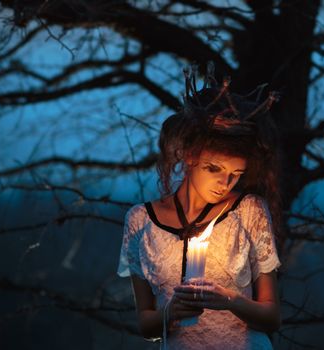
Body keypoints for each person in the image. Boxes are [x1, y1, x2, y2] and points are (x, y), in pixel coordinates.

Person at [117, 64, 283, 349]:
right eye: (214, 168)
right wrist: (170, 313)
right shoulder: (140, 221)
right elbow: (145, 323)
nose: (225, 183)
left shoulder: (248, 211)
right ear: (190, 156)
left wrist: (230, 300)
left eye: (236, 175)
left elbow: (271, 317)